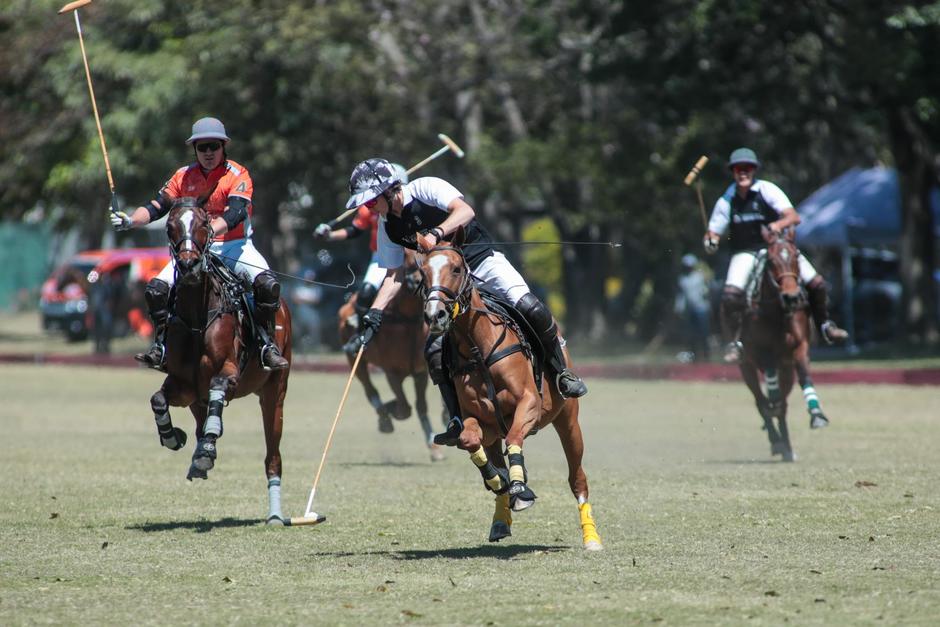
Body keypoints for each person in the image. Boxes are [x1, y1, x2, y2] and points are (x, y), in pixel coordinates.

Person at [341, 158, 587, 446]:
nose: (368, 208)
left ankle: (561, 373)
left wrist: (436, 233)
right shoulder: (388, 228)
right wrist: (374, 313)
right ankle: (457, 418)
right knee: (434, 349)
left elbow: (465, 210)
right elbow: (394, 276)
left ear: (388, 190)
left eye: (370, 201)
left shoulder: (425, 188)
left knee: (531, 308)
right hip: (446, 284)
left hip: (482, 262)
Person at [109, 116, 289, 371]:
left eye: (213, 146)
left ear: (223, 147)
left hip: (234, 247)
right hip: (192, 250)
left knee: (267, 285)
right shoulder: (183, 176)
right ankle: (161, 346)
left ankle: (266, 344)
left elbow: (236, 212)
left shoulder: (238, 174)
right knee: (156, 290)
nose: (208, 153)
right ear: (194, 149)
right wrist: (129, 220)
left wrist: (206, 231)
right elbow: (157, 206)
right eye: (202, 147)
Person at [703, 147, 849, 364]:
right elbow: (714, 230)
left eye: (748, 168)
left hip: (778, 249)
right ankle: (735, 342)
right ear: (733, 172)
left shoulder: (767, 190)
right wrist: (711, 241)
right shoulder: (728, 198)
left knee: (817, 283)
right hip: (746, 253)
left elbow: (793, 216)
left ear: (754, 170)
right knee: (730, 295)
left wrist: (777, 224)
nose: (743, 172)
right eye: (738, 169)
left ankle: (825, 325)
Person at [313, 163, 409, 355]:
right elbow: (354, 230)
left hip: (414, 255)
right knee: (366, 291)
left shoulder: (411, 203)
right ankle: (360, 335)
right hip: (382, 256)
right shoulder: (372, 204)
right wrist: (329, 236)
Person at [674, 254, 711, 362]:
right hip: (689, 310)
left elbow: (706, 292)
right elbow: (681, 295)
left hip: (701, 308)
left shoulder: (699, 277)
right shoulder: (682, 279)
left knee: (704, 333)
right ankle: (693, 355)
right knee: (691, 334)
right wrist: (678, 308)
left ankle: (706, 354)